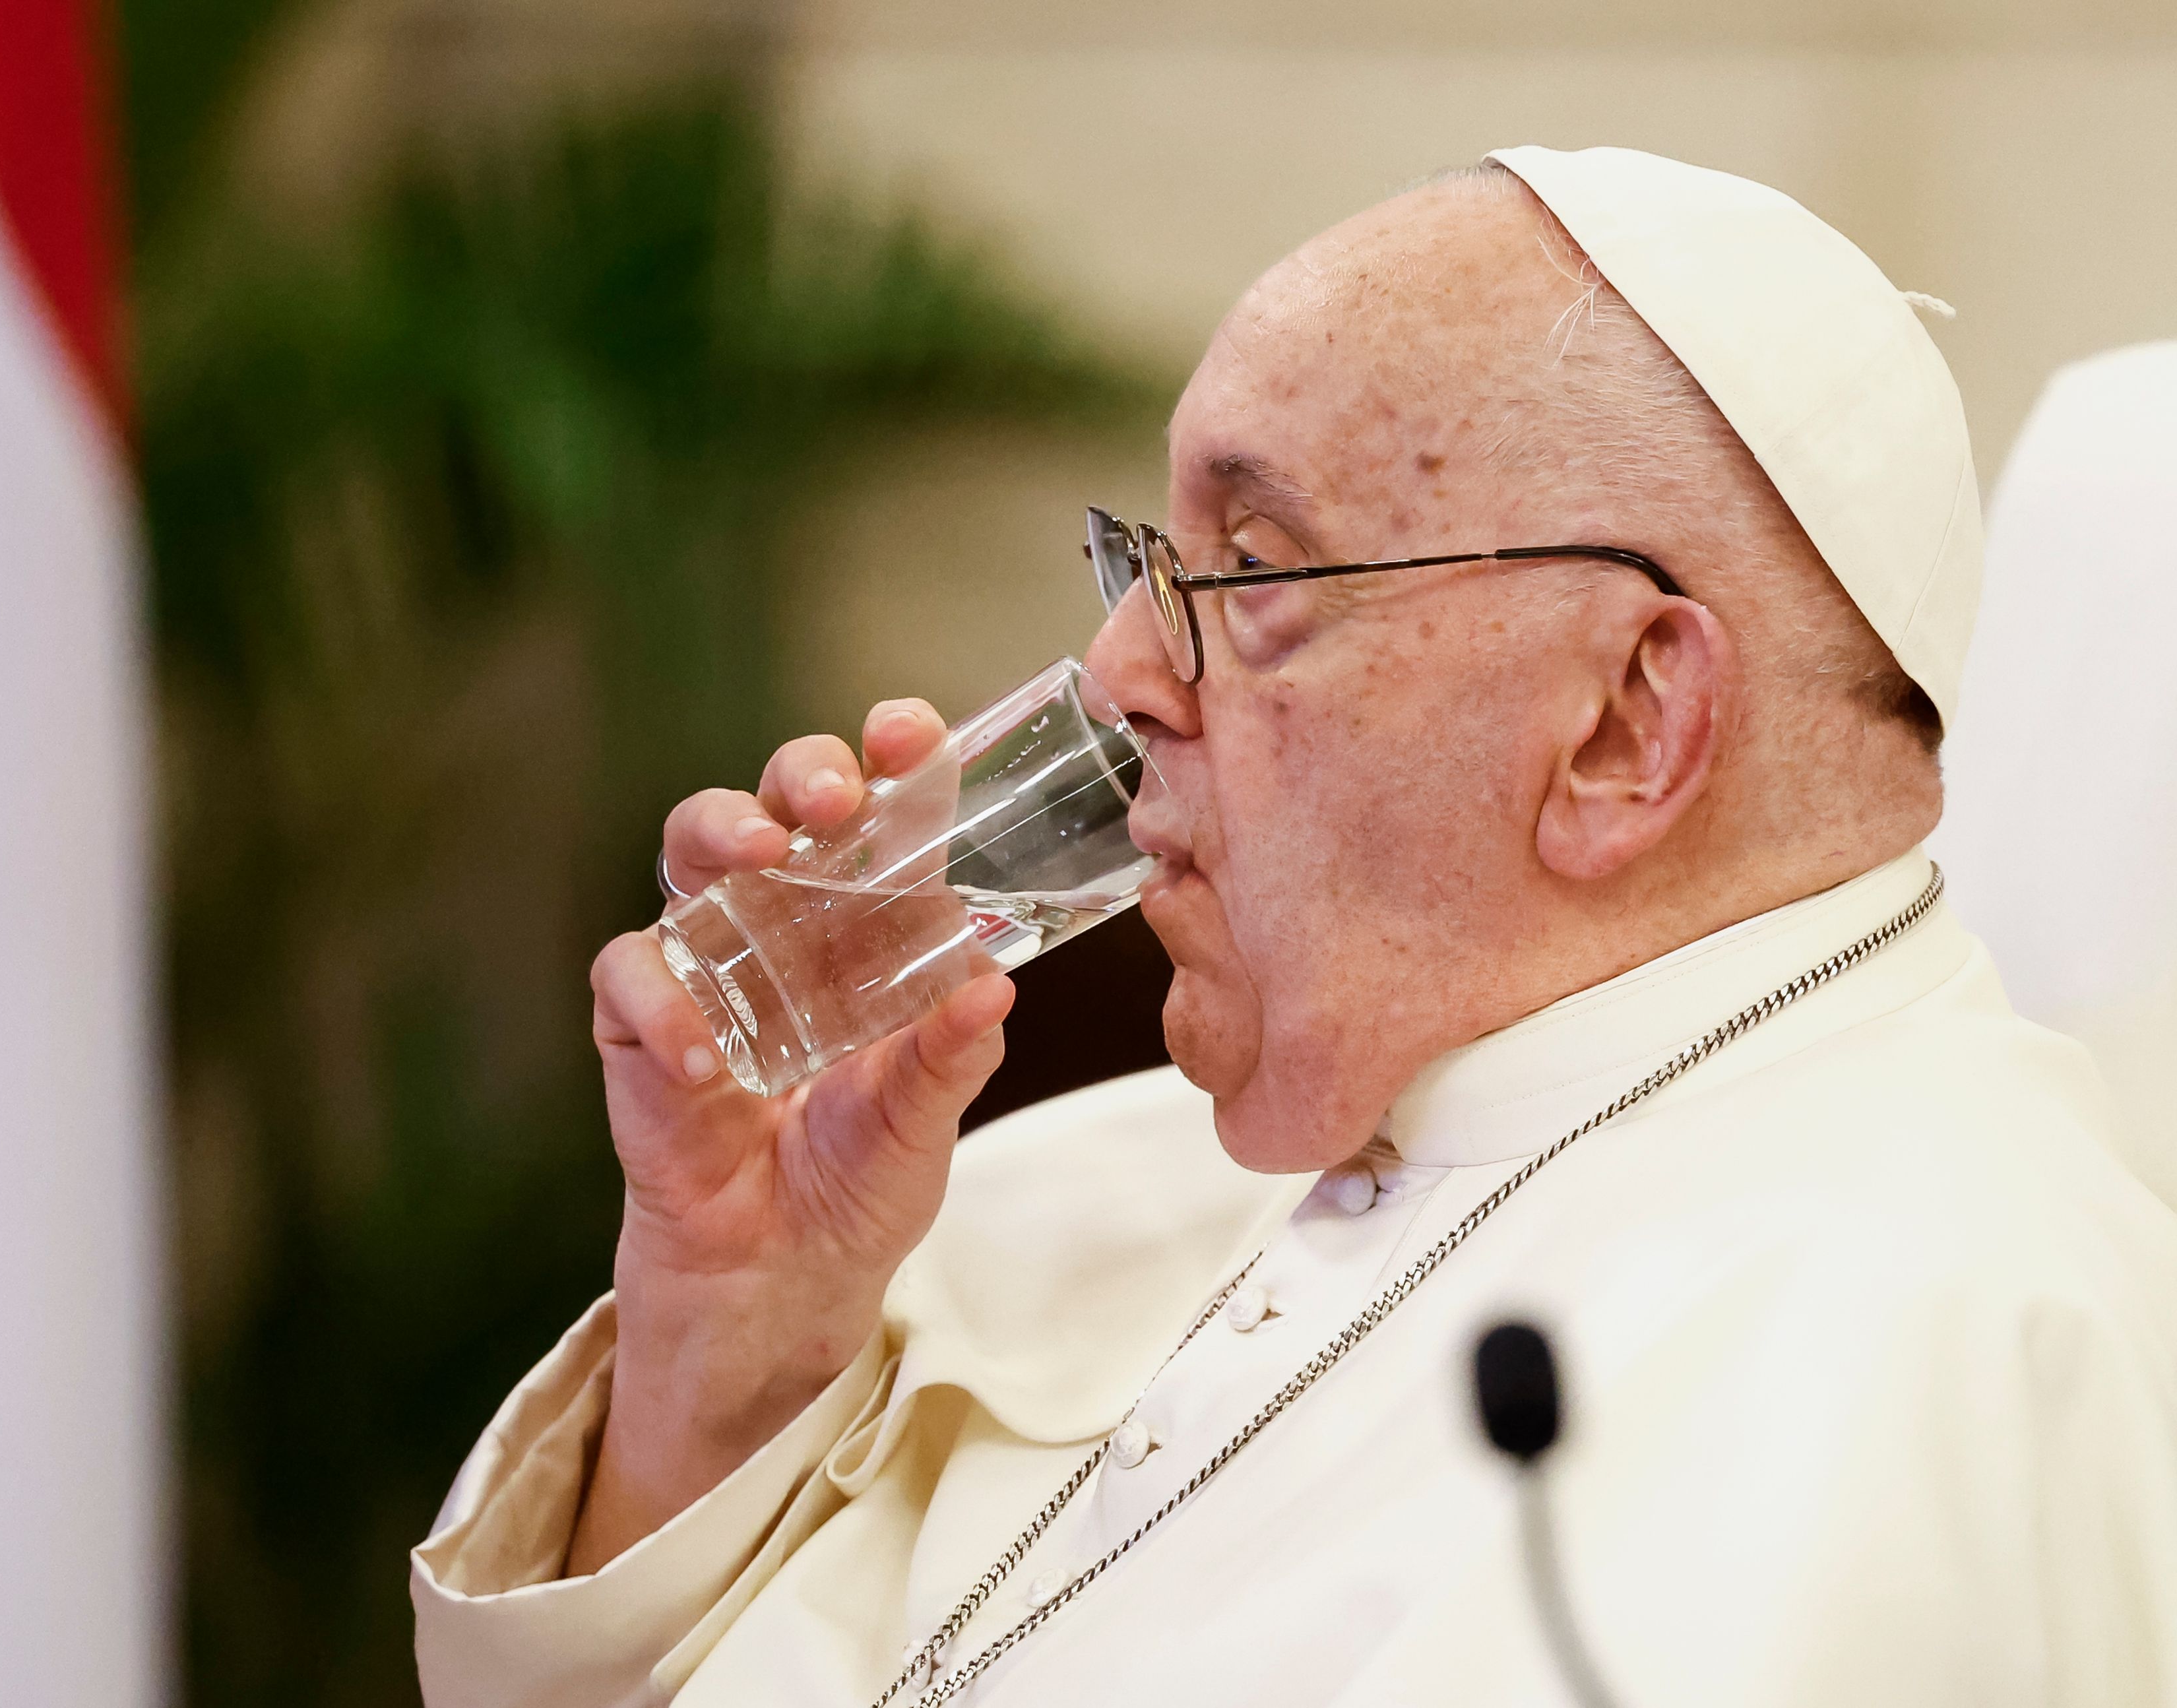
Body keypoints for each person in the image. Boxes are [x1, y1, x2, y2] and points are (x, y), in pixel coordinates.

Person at [410, 147, 2177, 1707]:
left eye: (1249, 575)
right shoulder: (1144, 1162)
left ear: (1627, 727)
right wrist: (731, 1359)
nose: (1112, 676)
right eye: (1146, 564)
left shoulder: (1902, 1376)